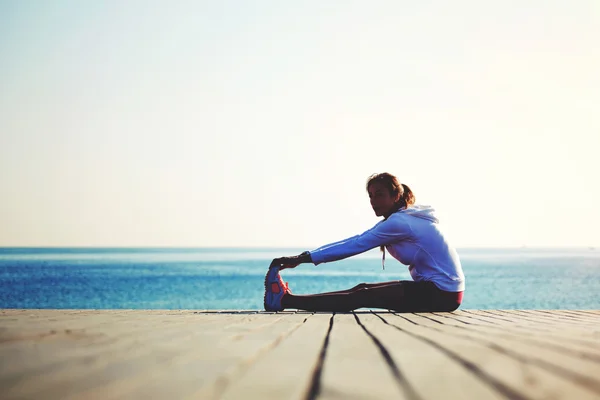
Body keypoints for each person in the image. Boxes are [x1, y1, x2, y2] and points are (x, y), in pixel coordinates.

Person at [263, 172, 465, 313]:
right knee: (362, 289)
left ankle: (285, 300)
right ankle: (284, 299)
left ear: (395, 196)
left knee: (362, 296)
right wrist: (305, 257)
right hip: (441, 291)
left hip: (441, 294)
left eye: (380, 195)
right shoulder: (404, 218)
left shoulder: (400, 222)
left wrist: (303, 258)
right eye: (370, 196)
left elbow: (354, 245)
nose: (373, 201)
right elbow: (354, 240)